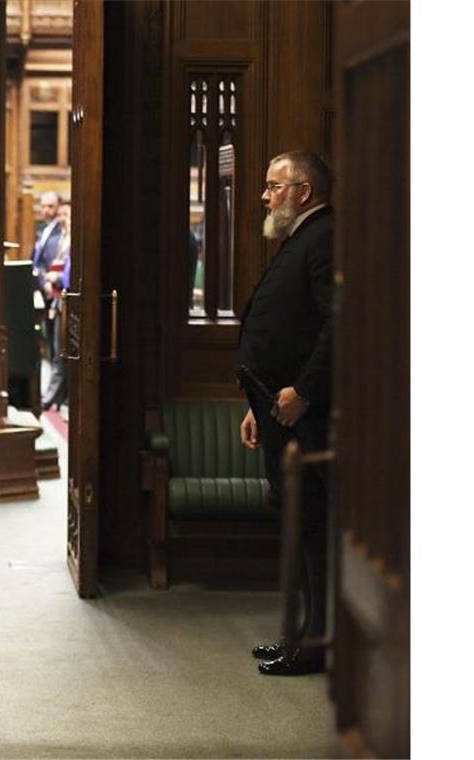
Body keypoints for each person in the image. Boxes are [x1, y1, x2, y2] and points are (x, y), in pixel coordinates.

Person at [237, 150, 333, 676]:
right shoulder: (302, 237)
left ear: (304, 191)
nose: (265, 195)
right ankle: (298, 634)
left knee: (312, 527)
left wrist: (306, 391)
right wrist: (258, 404)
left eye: (275, 186)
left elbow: (339, 324)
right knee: (297, 527)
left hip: (304, 415)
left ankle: (315, 643)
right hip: (277, 410)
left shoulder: (326, 236)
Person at [42, 202, 71, 410]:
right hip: (59, 300)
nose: (63, 220)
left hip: (68, 302)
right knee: (56, 351)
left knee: (62, 353)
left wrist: (57, 277)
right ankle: (56, 396)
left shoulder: (74, 243)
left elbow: (68, 277)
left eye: (67, 216)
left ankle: (50, 397)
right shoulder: (63, 241)